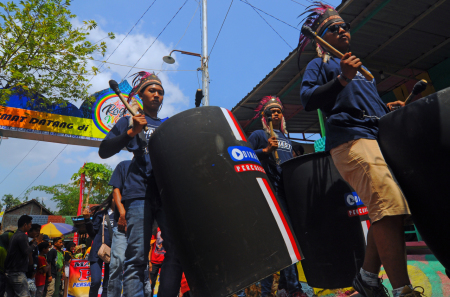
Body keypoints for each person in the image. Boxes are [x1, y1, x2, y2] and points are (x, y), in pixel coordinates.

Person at [298, 3, 421, 297]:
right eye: (334, 28)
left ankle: (367, 278)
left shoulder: (361, 69)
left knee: (389, 210)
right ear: (322, 38)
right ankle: (403, 290)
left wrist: (388, 109)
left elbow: (366, 105)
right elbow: (307, 99)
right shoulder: (322, 65)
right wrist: (341, 78)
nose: (342, 30)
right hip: (351, 140)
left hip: (377, 138)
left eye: (345, 26)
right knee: (388, 204)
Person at [98, 72, 183, 297]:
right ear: (141, 95)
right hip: (139, 193)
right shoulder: (130, 119)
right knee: (137, 257)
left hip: (166, 194)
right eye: (151, 90)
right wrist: (131, 132)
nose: (156, 94)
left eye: (160, 92)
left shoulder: (168, 125)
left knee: (177, 251)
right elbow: (104, 151)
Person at [248, 96, 304, 297]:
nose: (275, 113)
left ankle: (281, 288)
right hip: (272, 192)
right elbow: (241, 153)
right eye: (271, 110)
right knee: (286, 238)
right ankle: (294, 288)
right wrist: (265, 151)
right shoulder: (258, 134)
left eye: (278, 110)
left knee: (284, 241)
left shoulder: (286, 137)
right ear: (264, 116)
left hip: (288, 190)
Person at [107, 160, 131, 297]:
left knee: (141, 268)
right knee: (117, 265)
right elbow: (116, 189)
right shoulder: (124, 166)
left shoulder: (152, 166)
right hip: (122, 227)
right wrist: (122, 213)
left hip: (141, 225)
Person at [83, 194, 115, 297]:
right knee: (96, 281)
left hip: (113, 253)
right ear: (112, 199)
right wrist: (87, 220)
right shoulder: (100, 214)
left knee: (107, 284)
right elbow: (92, 234)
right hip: (97, 251)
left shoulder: (122, 216)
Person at [4, 215, 43, 297]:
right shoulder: (22, 235)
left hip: (10, 272)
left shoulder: (15, 235)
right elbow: (27, 251)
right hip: (17, 273)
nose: (30, 227)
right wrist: (36, 242)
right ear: (25, 225)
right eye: (30, 225)